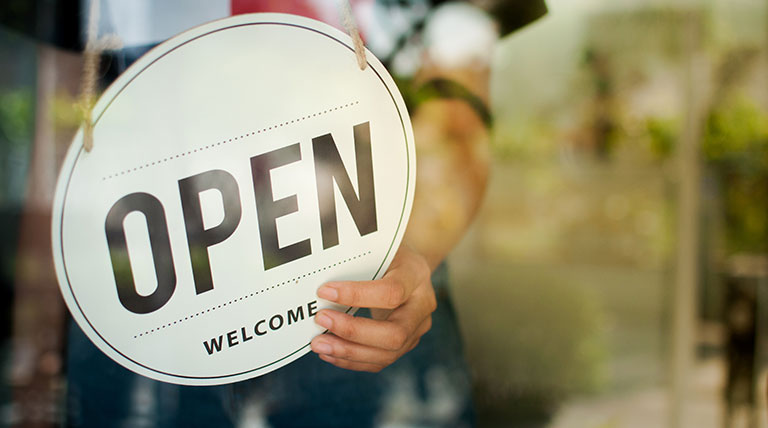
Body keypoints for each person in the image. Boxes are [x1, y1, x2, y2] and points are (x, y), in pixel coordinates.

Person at [2, 1, 547, 426]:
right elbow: (66, 140)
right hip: (150, 322)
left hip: (362, 310)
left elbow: (456, 111)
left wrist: (410, 261)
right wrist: (38, 344)